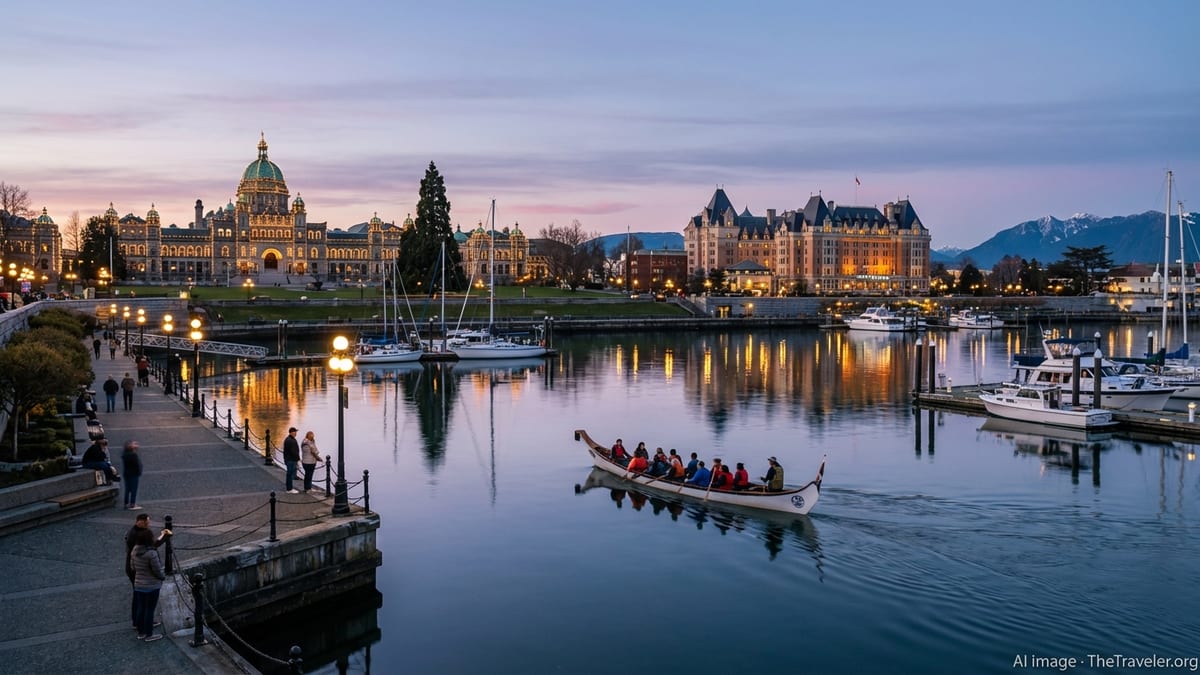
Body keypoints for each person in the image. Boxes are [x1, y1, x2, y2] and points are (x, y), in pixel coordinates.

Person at [125, 513, 170, 632]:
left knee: (140, 598)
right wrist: (163, 538)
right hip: (141, 572)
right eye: (146, 522)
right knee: (143, 601)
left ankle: (140, 623)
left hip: (136, 569)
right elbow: (150, 549)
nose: (148, 525)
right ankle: (142, 624)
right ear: (140, 521)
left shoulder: (134, 534)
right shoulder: (137, 535)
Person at [131, 527, 166, 641]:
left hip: (139, 584)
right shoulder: (151, 553)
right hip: (152, 585)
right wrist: (162, 577)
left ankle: (141, 633)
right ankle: (149, 634)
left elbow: (133, 567)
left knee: (141, 608)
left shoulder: (135, 550)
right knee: (150, 609)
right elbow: (157, 569)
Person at [122, 441, 143, 509]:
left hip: (127, 474)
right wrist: (139, 472)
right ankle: (132, 503)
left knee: (127, 489)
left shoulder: (125, 454)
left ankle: (126, 503)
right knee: (134, 489)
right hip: (133, 474)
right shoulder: (133, 455)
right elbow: (136, 465)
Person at [283, 427, 300, 493]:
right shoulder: (290, 440)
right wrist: (298, 459)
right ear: (291, 432)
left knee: (289, 474)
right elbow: (293, 451)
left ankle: (289, 488)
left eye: (296, 432)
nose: (296, 433)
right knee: (290, 474)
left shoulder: (289, 439)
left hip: (289, 459)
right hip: (291, 460)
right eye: (294, 432)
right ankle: (289, 489)